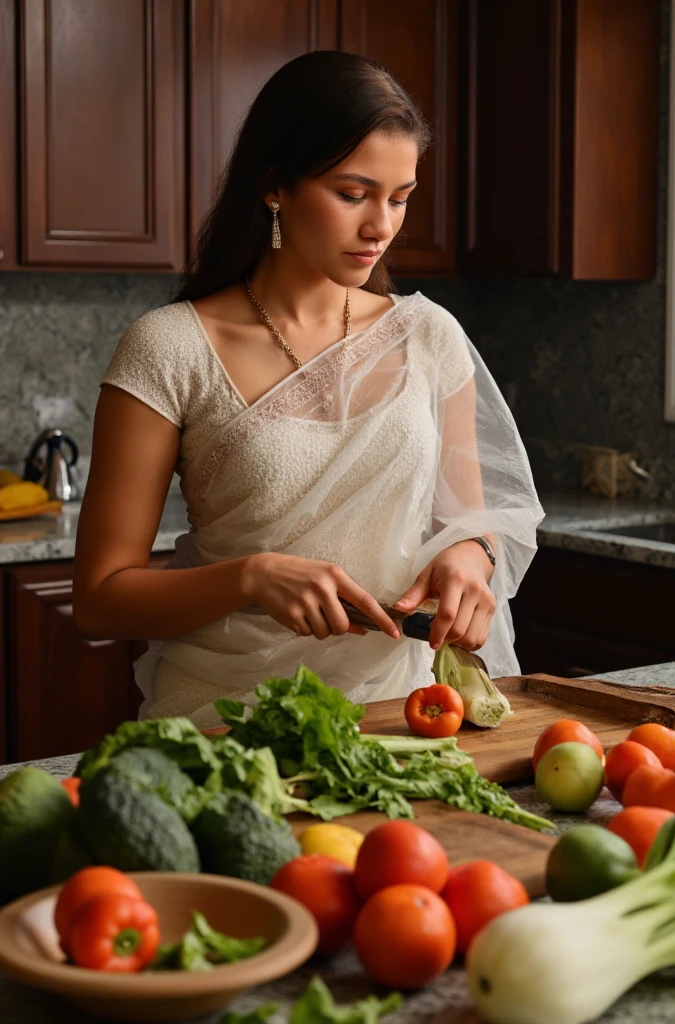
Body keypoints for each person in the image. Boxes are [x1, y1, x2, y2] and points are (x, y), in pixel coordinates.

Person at [73, 51, 544, 728]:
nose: (381, 226)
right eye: (353, 194)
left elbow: (466, 526)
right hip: (227, 720)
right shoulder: (170, 348)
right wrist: (249, 577)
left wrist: (470, 557)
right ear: (275, 187)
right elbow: (99, 598)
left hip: (400, 715)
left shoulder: (428, 337)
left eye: (400, 198)